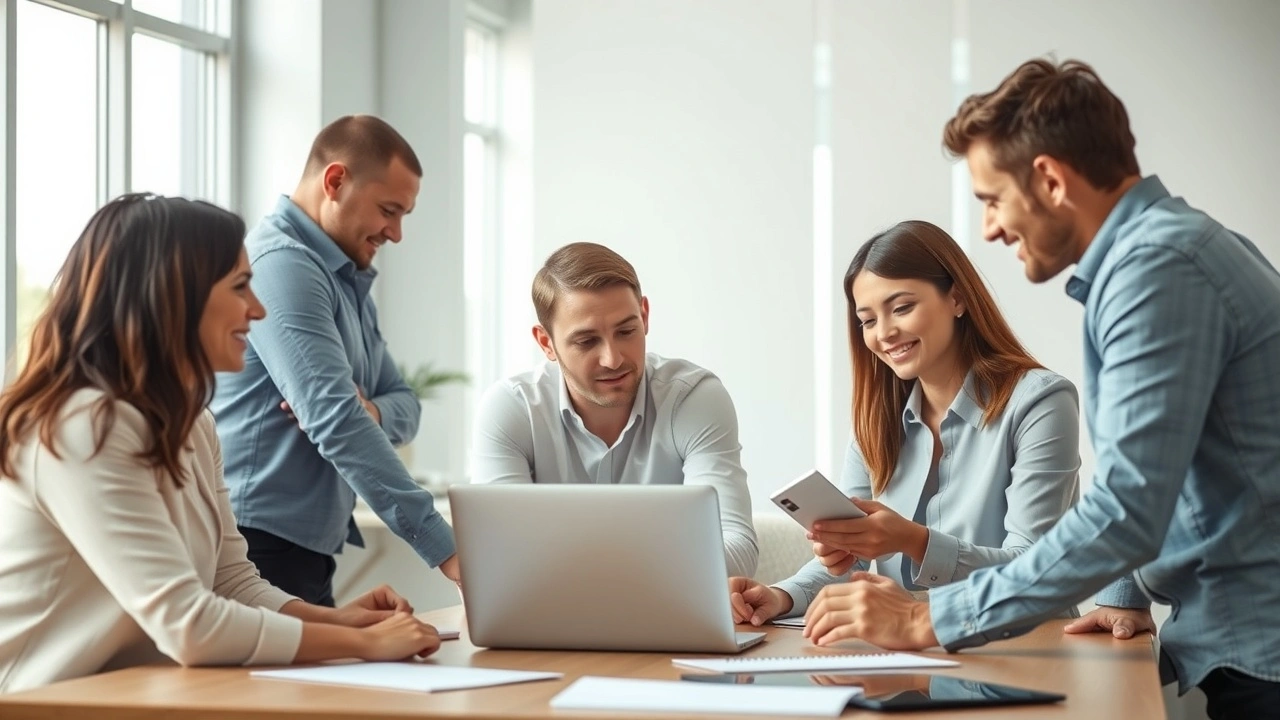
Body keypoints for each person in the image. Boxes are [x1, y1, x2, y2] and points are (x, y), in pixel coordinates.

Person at [801, 58, 1280, 720]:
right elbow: (1163, 468)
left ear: (1051, 180)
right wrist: (1124, 591)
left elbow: (1126, 509)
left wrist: (928, 620)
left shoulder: (1158, 270)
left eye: (993, 200)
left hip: (1264, 648)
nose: (992, 228)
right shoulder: (1171, 254)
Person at [0, 195, 442, 694]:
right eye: (240, 287)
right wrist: (363, 646)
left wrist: (341, 622)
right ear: (172, 297)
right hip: (36, 701)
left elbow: (231, 582)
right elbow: (188, 624)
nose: (258, 309)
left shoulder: (192, 424)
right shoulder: (83, 426)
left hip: (116, 697)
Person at [728, 221, 1079, 625]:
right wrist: (780, 596)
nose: (885, 333)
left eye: (902, 307)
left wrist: (914, 541)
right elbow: (853, 560)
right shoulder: (876, 420)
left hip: (1021, 648)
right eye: (868, 320)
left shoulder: (1040, 401)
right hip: (902, 654)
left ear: (958, 298)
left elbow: (1034, 571)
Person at [211, 115, 457, 606]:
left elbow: (405, 403)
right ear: (335, 181)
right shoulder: (282, 265)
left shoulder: (344, 274)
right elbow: (337, 419)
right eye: (390, 210)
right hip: (257, 547)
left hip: (303, 549)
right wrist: (448, 551)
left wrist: (375, 412)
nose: (397, 232)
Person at [471, 242, 758, 576]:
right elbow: (498, 560)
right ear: (546, 343)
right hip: (550, 628)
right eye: (586, 341)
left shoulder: (693, 399)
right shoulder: (510, 410)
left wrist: (571, 566)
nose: (613, 358)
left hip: (664, 626)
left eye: (626, 331)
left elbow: (737, 548)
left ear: (645, 316)